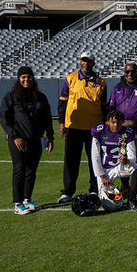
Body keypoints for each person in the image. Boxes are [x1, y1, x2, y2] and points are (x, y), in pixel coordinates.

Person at [0, 66, 54, 214]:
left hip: (36, 139)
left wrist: (50, 136)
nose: (26, 79)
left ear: (33, 78)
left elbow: (47, 118)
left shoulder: (40, 97)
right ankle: (17, 204)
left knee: (31, 171)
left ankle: (27, 200)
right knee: (19, 169)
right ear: (19, 79)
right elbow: (4, 119)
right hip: (18, 140)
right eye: (23, 77)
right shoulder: (10, 97)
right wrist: (15, 137)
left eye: (29, 77)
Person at [57, 52, 107, 203]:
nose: (85, 63)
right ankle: (67, 192)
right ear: (80, 61)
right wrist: (61, 122)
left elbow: (104, 107)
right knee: (71, 161)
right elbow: (62, 102)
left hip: (94, 129)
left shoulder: (101, 82)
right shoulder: (70, 79)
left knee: (95, 161)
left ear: (93, 62)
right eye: (82, 60)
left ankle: (95, 189)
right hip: (74, 127)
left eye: (88, 61)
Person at [108, 62, 137, 198]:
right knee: (122, 156)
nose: (130, 74)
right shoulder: (117, 88)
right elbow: (111, 108)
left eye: (133, 71)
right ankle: (125, 184)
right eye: (127, 72)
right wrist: (118, 122)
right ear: (124, 72)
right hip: (121, 130)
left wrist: (134, 122)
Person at [90, 110, 137, 212]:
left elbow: (133, 156)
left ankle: (132, 201)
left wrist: (127, 161)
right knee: (107, 204)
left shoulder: (128, 132)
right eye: (113, 122)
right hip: (106, 170)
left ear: (122, 122)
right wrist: (102, 176)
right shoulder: (100, 132)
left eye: (118, 122)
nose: (116, 125)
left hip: (120, 166)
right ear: (107, 122)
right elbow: (95, 156)